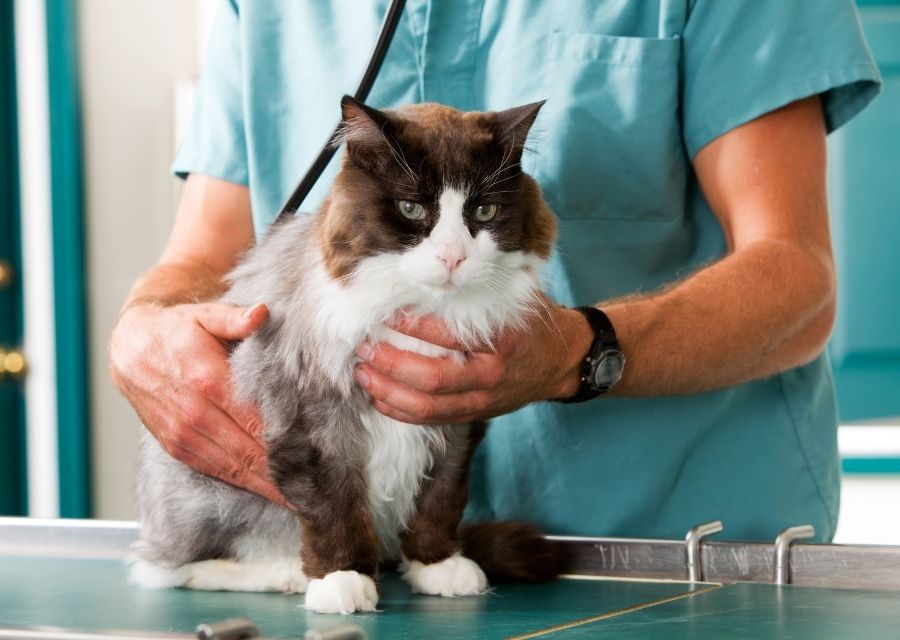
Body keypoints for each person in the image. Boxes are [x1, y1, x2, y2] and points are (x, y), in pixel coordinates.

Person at [109, 0, 881, 541]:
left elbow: (797, 280)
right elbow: (203, 261)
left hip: (677, 552)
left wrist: (576, 354)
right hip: (380, 568)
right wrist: (142, 331)